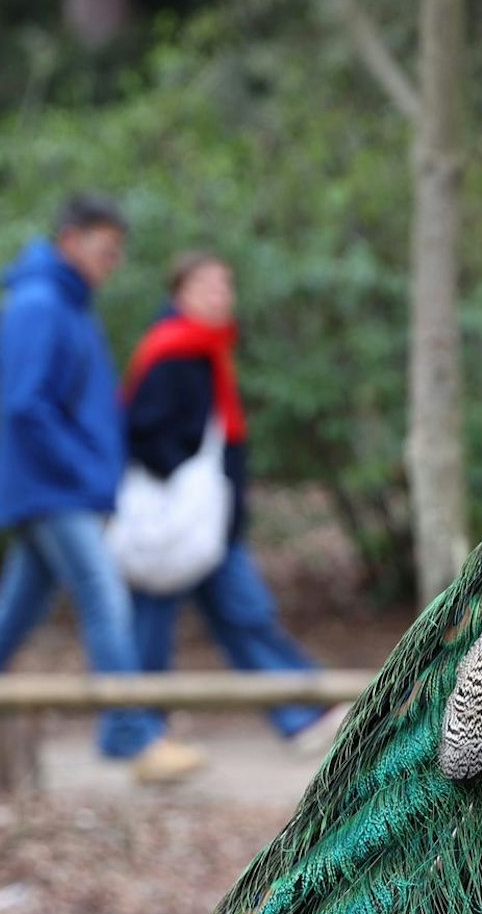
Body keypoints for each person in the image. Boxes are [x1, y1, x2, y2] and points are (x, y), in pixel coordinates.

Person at [0, 195, 205, 785]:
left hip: (65, 487)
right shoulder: (40, 305)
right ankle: (133, 738)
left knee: (12, 617)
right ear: (71, 241)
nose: (114, 262)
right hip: (53, 491)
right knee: (105, 595)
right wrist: (83, 473)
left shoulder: (70, 305)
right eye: (107, 249)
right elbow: (26, 406)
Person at [122, 252, 338, 754]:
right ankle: (140, 729)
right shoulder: (173, 353)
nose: (221, 297)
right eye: (209, 287)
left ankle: (305, 712)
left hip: (209, 524)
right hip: (184, 523)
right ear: (180, 294)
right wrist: (192, 483)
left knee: (237, 617)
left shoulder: (207, 351)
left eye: (226, 286)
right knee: (178, 622)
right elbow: (143, 435)